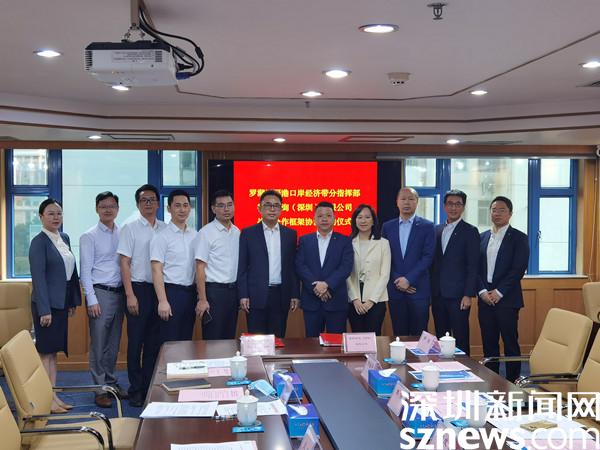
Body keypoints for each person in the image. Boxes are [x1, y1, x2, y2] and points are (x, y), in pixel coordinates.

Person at [29, 198, 81, 414]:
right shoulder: (38, 242)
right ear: (41, 216)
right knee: (45, 353)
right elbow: (38, 278)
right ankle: (45, 399)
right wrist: (45, 310)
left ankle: (53, 396)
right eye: (50, 213)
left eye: (58, 213)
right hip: (46, 307)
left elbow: (71, 273)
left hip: (61, 304)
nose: (56, 217)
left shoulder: (64, 238)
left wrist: (72, 301)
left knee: (53, 353)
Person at [117, 184, 166, 407]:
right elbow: (124, 263)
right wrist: (130, 294)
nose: (148, 203)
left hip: (160, 291)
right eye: (144, 200)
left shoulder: (165, 228)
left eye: (152, 199)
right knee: (136, 342)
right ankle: (136, 389)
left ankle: (149, 387)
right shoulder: (130, 228)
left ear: (158, 204)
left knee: (154, 343)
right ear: (138, 204)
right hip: (138, 290)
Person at [79, 191, 126, 408]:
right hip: (100, 294)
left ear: (117, 209)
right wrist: (91, 299)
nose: (108, 209)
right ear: (97, 209)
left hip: (120, 293)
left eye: (112, 206)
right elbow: (85, 271)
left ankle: (110, 382)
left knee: (113, 344)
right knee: (99, 344)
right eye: (103, 206)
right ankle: (99, 389)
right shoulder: (89, 236)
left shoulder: (122, 232)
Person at [478, 196, 529, 383]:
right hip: (485, 298)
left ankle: (513, 381)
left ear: (510, 213)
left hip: (507, 299)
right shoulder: (482, 237)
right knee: (489, 342)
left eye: (502, 210)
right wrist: (482, 291)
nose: (497, 213)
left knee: (510, 342)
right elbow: (475, 269)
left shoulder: (519, 237)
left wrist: (499, 292)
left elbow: (518, 269)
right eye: (494, 210)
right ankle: (491, 380)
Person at [238, 190, 299, 337]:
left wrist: (295, 294)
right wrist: (243, 294)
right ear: (259, 208)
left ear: (281, 209)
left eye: (276, 206)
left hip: (281, 295)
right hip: (255, 295)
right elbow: (242, 267)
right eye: (268, 205)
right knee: (256, 340)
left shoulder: (290, 234)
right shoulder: (248, 233)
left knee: (278, 339)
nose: (272, 209)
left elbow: (292, 268)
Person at [430, 190, 480, 355]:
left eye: (458, 204)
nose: (453, 208)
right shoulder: (436, 230)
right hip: (438, 295)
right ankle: (442, 367)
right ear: (444, 206)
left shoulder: (470, 231)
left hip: (459, 296)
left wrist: (468, 294)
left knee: (461, 337)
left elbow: (473, 266)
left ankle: (465, 368)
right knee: (441, 337)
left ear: (463, 207)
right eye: (450, 204)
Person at [382, 187, 435, 336]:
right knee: (399, 335)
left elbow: (428, 257)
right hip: (395, 289)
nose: (407, 202)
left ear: (417, 202)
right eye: (403, 199)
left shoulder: (427, 226)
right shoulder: (387, 227)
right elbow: (384, 257)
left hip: (418, 290)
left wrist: (408, 279)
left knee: (419, 336)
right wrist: (398, 281)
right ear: (397, 202)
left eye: (411, 199)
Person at [296, 201, 353, 337]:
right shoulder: (305, 240)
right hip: (311, 301)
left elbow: (346, 267)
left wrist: (327, 285)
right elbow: (300, 265)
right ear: (314, 219)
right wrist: (316, 287)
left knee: (336, 343)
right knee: (312, 343)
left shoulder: (345, 241)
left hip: (336, 300)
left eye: (328, 215)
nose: (324, 219)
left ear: (334, 218)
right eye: (320, 216)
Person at [151, 189, 198, 344]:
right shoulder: (161, 236)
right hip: (171, 293)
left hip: (190, 293)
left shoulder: (195, 235)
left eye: (185, 205)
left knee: (186, 340)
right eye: (177, 206)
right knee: (169, 342)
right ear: (169, 209)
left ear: (190, 208)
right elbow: (156, 270)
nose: (182, 209)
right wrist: (162, 301)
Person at [195, 190, 240, 340]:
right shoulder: (206, 232)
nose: (226, 209)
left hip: (233, 292)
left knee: (229, 338)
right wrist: (202, 299)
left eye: (229, 205)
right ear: (213, 209)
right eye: (221, 206)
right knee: (213, 339)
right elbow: (199, 267)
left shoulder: (237, 232)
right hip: (214, 293)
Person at [346, 204, 391, 336]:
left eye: (367, 217)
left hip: (376, 299)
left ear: (373, 221)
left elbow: (385, 274)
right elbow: (346, 273)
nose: (363, 221)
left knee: (374, 337)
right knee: (356, 338)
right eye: (359, 217)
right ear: (355, 220)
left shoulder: (383, 243)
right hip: (354, 299)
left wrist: (371, 301)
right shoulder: (348, 242)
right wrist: (355, 299)